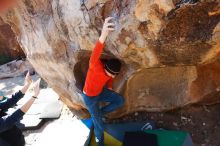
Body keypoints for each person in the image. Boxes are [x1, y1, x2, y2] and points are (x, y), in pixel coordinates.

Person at [82, 17, 125, 146]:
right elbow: (96, 52)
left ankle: (99, 114)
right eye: (110, 74)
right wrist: (103, 35)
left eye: (113, 75)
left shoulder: (110, 74)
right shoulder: (95, 65)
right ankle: (100, 141)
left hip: (101, 92)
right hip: (89, 97)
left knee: (120, 100)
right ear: (105, 68)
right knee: (99, 124)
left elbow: (109, 79)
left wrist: (110, 87)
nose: (111, 76)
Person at [0, 72, 41, 146]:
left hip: (16, 138)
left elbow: (11, 101)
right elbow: (13, 117)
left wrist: (27, 84)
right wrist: (34, 96)